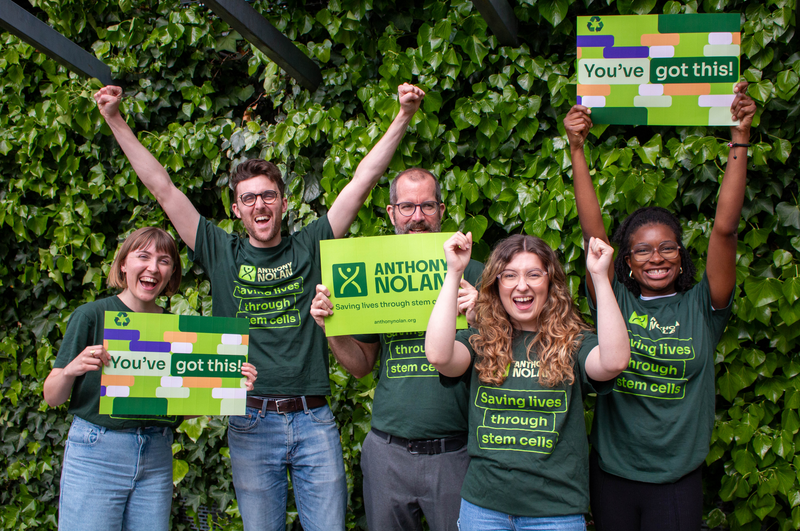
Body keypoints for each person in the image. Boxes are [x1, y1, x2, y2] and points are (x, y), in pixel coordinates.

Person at [94, 83, 424, 531]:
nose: (259, 204)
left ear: (284, 203)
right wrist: (115, 119)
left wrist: (403, 114)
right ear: (237, 209)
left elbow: (362, 181)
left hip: (313, 419)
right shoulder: (220, 251)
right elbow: (164, 189)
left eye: (268, 195)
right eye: (248, 198)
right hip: (249, 420)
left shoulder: (313, 243)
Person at [564, 81, 756, 530]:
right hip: (612, 477)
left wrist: (740, 138)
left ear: (681, 254)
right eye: (643, 251)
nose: (656, 259)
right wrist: (576, 150)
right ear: (625, 261)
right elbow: (594, 236)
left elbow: (724, 231)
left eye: (667, 248)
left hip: (677, 481)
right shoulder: (615, 299)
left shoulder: (703, 305)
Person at [43, 227, 258, 531]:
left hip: (156, 455)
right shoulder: (92, 315)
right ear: (123, 265)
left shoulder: (178, 330)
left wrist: (227, 386)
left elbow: (177, 408)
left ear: (171, 273)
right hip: (97, 453)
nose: (153, 268)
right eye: (143, 256)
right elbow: (52, 396)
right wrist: (70, 369)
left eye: (164, 260)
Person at [310, 167, 483, 531]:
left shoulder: (475, 274)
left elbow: (511, 356)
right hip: (388, 452)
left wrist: (485, 314)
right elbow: (361, 367)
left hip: (455, 452)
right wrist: (332, 330)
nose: (417, 216)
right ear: (391, 213)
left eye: (427, 206)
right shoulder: (374, 272)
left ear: (442, 209)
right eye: (406, 207)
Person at [424, 231, 631, 530]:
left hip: (555, 513)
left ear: (550, 282)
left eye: (534, 274)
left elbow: (614, 362)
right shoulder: (481, 341)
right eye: (509, 275)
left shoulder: (573, 343)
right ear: (496, 285)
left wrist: (599, 276)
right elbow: (439, 355)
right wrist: (454, 271)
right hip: (483, 509)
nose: (522, 285)